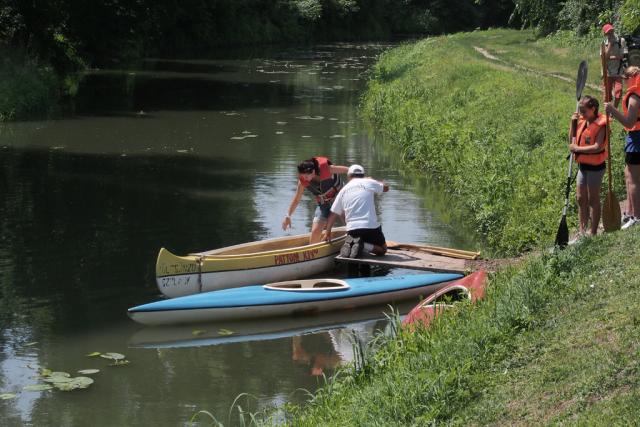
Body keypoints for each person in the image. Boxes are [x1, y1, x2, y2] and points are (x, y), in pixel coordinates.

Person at [324, 164, 389, 258]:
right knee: (383, 250)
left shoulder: (343, 190)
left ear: (349, 176)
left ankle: (355, 243)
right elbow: (386, 188)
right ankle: (363, 245)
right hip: (370, 226)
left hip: (352, 229)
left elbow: (333, 214)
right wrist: (374, 180)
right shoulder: (368, 182)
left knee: (356, 236)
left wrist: (327, 232)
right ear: (363, 175)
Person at [568, 95, 608, 244]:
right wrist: (572, 124)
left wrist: (577, 148)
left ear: (593, 109)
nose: (581, 114)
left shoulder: (601, 125)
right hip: (583, 166)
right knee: (580, 198)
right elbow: (571, 141)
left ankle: (593, 232)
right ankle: (582, 231)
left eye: (584, 111)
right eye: (580, 110)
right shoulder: (581, 122)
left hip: (596, 167)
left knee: (593, 199)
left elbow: (598, 146)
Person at [282, 156, 348, 244]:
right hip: (324, 203)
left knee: (348, 223)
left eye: (306, 176)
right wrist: (288, 216)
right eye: (302, 176)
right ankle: (313, 253)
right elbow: (297, 199)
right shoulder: (302, 181)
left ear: (313, 172)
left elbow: (350, 170)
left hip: (340, 199)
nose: (304, 179)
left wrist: (363, 179)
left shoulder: (327, 169)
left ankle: (354, 241)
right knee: (315, 232)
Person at [605, 66, 640, 230]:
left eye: (625, 79)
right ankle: (629, 211)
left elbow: (629, 122)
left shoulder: (634, 97)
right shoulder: (634, 94)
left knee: (633, 179)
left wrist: (613, 110)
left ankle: (637, 216)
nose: (624, 83)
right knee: (628, 174)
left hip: (637, 138)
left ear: (631, 78)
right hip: (634, 137)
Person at [603, 23, 628, 109]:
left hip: (618, 71)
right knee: (607, 94)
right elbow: (603, 58)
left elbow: (622, 56)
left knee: (618, 92)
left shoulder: (621, 40)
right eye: (608, 32)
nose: (610, 34)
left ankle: (614, 110)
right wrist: (610, 45)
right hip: (608, 72)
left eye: (611, 31)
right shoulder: (604, 43)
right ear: (605, 34)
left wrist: (609, 57)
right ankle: (608, 111)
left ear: (613, 30)